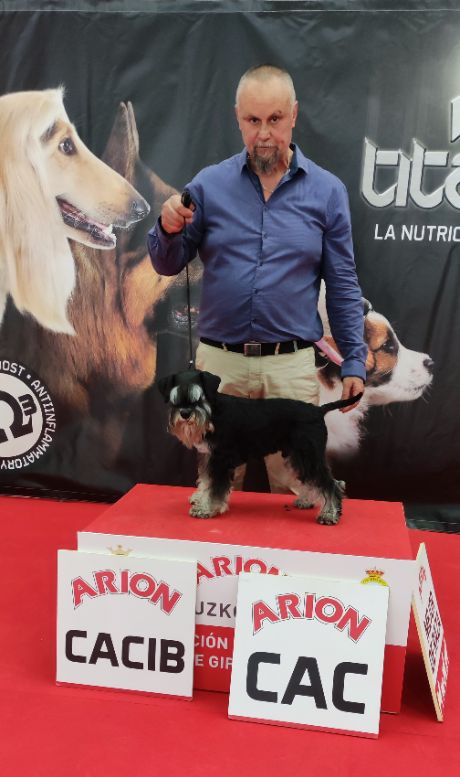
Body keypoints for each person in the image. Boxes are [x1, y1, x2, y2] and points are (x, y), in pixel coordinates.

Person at [147, 64, 366, 492]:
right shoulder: (208, 185)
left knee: (297, 488)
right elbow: (167, 264)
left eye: (275, 119)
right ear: (238, 118)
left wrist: (353, 361)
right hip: (219, 367)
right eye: (253, 120)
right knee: (217, 488)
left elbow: (342, 285)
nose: (264, 134)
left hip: (291, 366)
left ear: (294, 114)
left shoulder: (328, 192)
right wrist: (167, 229)